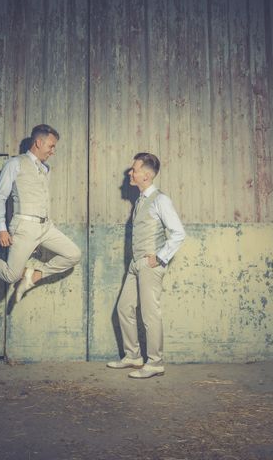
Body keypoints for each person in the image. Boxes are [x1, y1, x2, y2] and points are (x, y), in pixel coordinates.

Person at [0, 124, 81, 303]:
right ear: (38, 142)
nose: (53, 151)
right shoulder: (15, 163)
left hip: (46, 226)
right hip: (24, 226)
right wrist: (1, 228)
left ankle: (32, 277)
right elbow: (0, 197)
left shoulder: (45, 169)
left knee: (73, 254)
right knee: (10, 276)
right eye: (51, 146)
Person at [107, 153, 185, 379]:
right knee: (124, 308)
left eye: (134, 170)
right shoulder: (140, 201)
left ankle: (155, 362)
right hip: (135, 264)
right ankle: (133, 355)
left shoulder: (161, 200)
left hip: (150, 265)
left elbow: (178, 233)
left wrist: (160, 257)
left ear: (147, 175)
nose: (130, 173)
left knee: (150, 315)